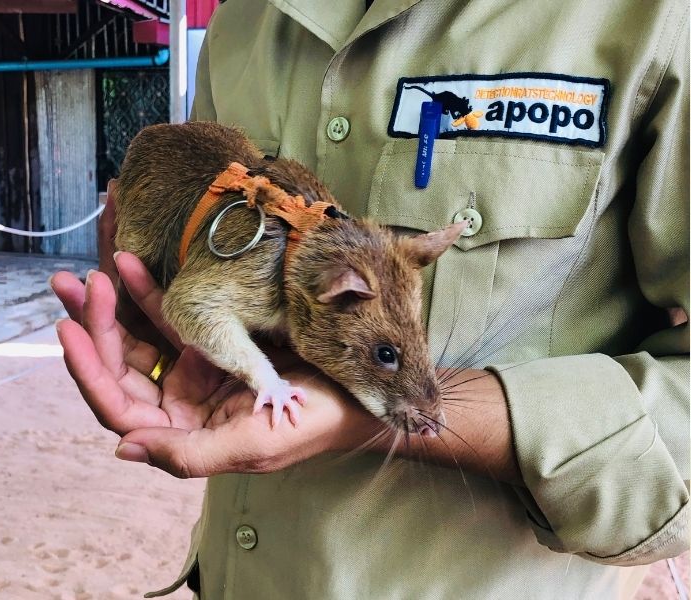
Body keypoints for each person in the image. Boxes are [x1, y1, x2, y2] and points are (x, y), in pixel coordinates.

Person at [51, 1, 690, 598]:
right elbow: (193, 285)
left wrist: (418, 421)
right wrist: (167, 338)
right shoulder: (241, 19)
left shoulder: (657, 21)